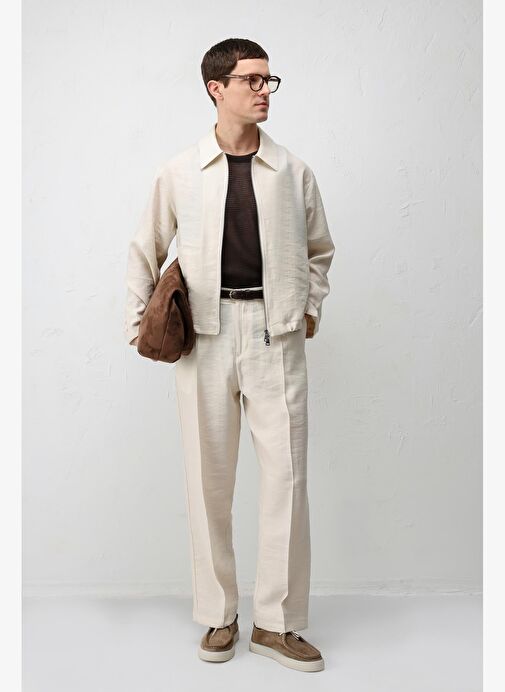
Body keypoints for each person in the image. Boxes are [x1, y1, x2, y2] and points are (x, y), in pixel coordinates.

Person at [125, 38, 335, 673]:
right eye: (252, 80)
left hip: (277, 336)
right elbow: (144, 247)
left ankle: (278, 623)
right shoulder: (180, 171)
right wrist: (140, 324)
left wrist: (307, 308)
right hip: (206, 337)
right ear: (216, 88)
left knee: (287, 480)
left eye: (270, 80)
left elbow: (320, 250)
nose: (265, 90)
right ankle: (219, 614)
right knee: (207, 480)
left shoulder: (293, 171)